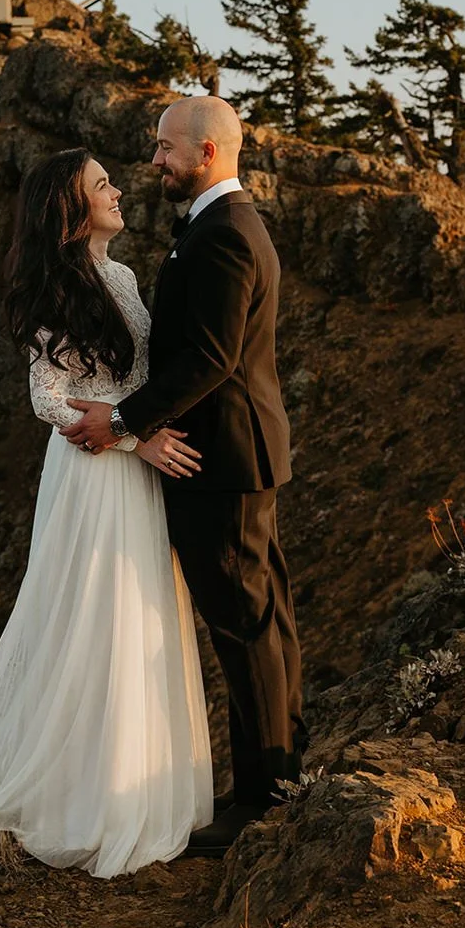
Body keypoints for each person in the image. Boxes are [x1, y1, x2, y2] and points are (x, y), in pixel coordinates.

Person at [0, 147, 213, 878]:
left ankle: (131, 786)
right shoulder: (56, 287)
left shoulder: (127, 277)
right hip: (94, 472)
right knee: (95, 624)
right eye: (100, 185)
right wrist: (134, 437)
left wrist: (143, 426)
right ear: (70, 211)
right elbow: (47, 398)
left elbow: (140, 378)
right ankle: (85, 803)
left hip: (133, 471)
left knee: (139, 619)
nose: (116, 190)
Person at [62, 96, 307, 855]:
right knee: (263, 621)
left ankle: (264, 803)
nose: (154, 158)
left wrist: (123, 423)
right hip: (231, 455)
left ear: (206, 154)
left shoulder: (226, 235)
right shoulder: (218, 228)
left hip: (220, 458)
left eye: (166, 147)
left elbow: (211, 359)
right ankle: (279, 780)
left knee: (244, 627)